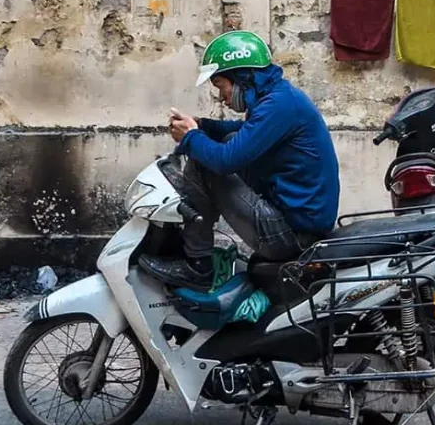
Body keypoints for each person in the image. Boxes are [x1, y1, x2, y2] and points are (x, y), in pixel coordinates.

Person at [138, 30, 341, 290]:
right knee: (229, 138)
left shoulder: (279, 105)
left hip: (291, 237)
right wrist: (203, 126)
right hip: (295, 226)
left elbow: (225, 161)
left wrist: (190, 137)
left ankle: (197, 265)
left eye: (220, 86)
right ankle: (193, 252)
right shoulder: (278, 98)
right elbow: (244, 132)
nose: (221, 97)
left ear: (242, 78)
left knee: (204, 164)